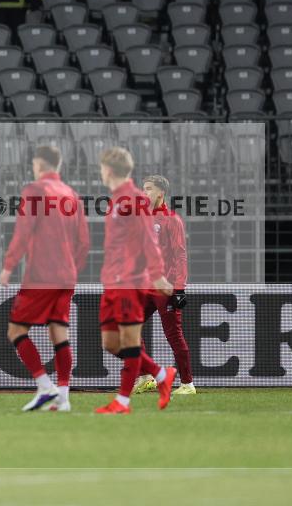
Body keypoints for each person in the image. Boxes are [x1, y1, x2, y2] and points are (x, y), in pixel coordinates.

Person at [0, 145, 90, 412]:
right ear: (58, 166)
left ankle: (44, 385)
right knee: (59, 333)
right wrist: (72, 268)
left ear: (39, 165)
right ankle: (63, 397)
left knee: (16, 331)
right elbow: (84, 242)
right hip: (66, 276)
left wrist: (8, 266)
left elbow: (23, 232)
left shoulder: (35, 190)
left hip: (41, 275)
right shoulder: (72, 195)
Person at [95, 147, 175, 415]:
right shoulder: (116, 200)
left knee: (129, 341)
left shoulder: (135, 200)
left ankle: (123, 402)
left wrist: (158, 275)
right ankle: (162, 374)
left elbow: (149, 241)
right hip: (112, 280)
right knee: (110, 343)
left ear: (108, 170)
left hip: (130, 280)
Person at [133, 175, 195, 396]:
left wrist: (180, 288)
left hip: (166, 287)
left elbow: (180, 255)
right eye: (143, 188)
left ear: (160, 193)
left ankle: (188, 384)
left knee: (173, 335)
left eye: (148, 189)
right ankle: (146, 377)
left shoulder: (172, 220)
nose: (143, 193)